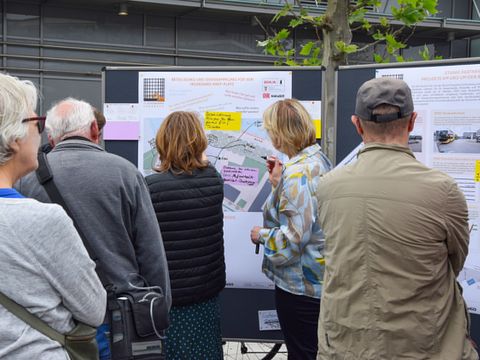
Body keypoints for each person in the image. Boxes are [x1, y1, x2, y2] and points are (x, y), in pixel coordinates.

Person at [316, 78, 479, 360]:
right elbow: (455, 261)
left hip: (346, 344)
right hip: (425, 345)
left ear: (357, 124)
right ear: (413, 121)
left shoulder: (328, 186)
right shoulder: (443, 190)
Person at [16, 97, 171, 360]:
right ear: (94, 130)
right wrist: (158, 309)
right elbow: (150, 250)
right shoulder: (126, 173)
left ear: (51, 138)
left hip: (52, 321)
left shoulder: (27, 182)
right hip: (118, 316)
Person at [0, 73, 106, 358]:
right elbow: (94, 308)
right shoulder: (41, 220)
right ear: (12, 139)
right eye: (37, 122)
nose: (42, 132)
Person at [250, 99, 332, 360]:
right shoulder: (318, 159)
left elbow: (294, 238)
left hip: (302, 288)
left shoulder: (297, 173)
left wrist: (260, 235)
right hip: (317, 282)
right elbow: (306, 217)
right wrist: (278, 184)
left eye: (270, 129)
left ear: (279, 132)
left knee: (302, 354)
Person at [146, 111, 225, 360]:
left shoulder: (152, 186)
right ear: (198, 141)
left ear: (163, 142)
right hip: (206, 294)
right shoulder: (214, 180)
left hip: (169, 299)